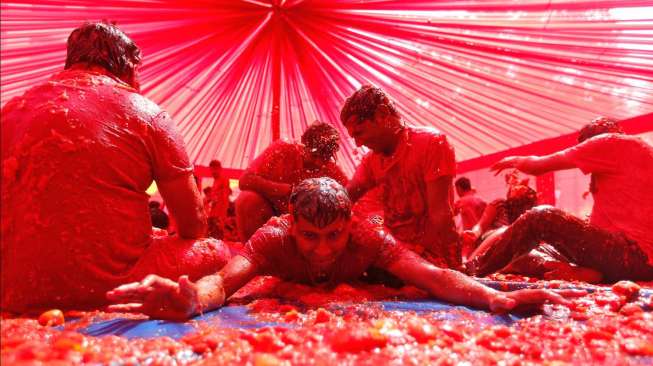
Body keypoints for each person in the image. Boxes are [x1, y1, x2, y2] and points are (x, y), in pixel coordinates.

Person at [107, 177, 583, 320]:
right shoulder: (273, 238)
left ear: (349, 225)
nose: (321, 249)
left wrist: (492, 297)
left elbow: (432, 276)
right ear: (290, 226)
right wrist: (193, 299)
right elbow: (225, 280)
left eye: (333, 235)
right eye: (309, 237)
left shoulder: (365, 236)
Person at [1, 22, 230, 312]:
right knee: (217, 251)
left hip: (10, 287)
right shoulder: (144, 112)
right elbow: (194, 225)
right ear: (130, 67)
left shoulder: (11, 109)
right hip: (109, 289)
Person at [466, 117, 653, 282]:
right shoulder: (637, 155)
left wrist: (515, 160)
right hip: (635, 262)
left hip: (633, 256)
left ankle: (471, 270)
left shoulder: (610, 142)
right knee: (524, 257)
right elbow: (601, 225)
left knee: (542, 217)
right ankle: (592, 273)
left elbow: (538, 166)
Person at [341, 85, 460, 269]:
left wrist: (456, 267)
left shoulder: (431, 143)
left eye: (359, 132)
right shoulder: (371, 161)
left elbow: (441, 215)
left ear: (382, 115)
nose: (358, 143)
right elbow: (344, 198)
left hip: (432, 261)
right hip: (397, 258)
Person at [235, 120, 348, 241]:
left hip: (304, 228)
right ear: (304, 144)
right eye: (314, 156)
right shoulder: (283, 149)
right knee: (247, 199)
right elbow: (245, 180)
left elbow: (351, 196)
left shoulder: (331, 169)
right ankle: (253, 254)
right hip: (269, 215)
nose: (318, 163)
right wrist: (285, 190)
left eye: (324, 158)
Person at [206, 160, 232, 239]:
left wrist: (222, 216)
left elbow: (225, 197)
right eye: (211, 170)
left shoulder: (224, 179)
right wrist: (208, 199)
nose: (213, 172)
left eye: (215, 169)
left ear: (220, 169)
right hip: (213, 213)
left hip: (219, 214)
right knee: (211, 235)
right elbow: (213, 197)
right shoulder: (215, 181)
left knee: (217, 236)